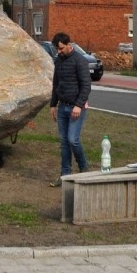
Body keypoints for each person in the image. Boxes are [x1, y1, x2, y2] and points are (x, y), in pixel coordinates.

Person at [49, 31, 91, 181]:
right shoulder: (58, 61)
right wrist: (53, 104)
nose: (59, 52)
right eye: (57, 49)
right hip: (62, 107)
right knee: (64, 142)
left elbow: (86, 86)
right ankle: (65, 175)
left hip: (76, 107)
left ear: (69, 45)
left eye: (61, 49)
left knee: (73, 139)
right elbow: (56, 84)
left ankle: (83, 166)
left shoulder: (80, 61)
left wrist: (78, 106)